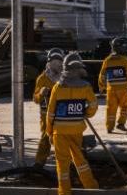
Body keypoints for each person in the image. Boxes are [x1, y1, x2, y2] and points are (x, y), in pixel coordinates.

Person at [46, 52, 99, 195]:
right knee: (80, 160)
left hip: (59, 132)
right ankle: (91, 187)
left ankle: (64, 192)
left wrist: (49, 131)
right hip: (76, 130)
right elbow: (93, 105)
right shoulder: (86, 87)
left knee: (62, 164)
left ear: (65, 68)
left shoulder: (58, 87)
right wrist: (86, 113)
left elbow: (50, 113)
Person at [32, 47, 64, 169]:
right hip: (46, 115)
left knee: (62, 139)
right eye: (53, 61)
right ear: (48, 62)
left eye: (59, 61)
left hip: (61, 114)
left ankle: (65, 163)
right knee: (45, 138)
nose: (56, 64)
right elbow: (35, 98)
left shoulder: (65, 78)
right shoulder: (42, 78)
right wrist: (41, 93)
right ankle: (39, 162)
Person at [98, 37, 127, 133]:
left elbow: (102, 75)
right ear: (119, 48)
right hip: (123, 89)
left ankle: (109, 128)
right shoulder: (124, 59)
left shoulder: (107, 60)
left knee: (111, 109)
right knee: (126, 106)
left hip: (111, 89)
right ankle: (121, 123)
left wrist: (101, 87)